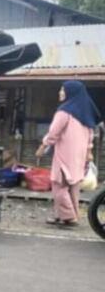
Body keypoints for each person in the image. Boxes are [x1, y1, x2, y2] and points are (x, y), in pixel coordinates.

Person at [36, 80, 100, 227]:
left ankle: (69, 217)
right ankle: (63, 216)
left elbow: (53, 133)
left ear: (71, 93)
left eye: (63, 90)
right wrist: (89, 151)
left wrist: (42, 146)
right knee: (73, 186)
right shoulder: (85, 112)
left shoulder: (64, 111)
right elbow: (91, 134)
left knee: (58, 185)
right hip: (79, 156)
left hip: (64, 154)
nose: (60, 93)